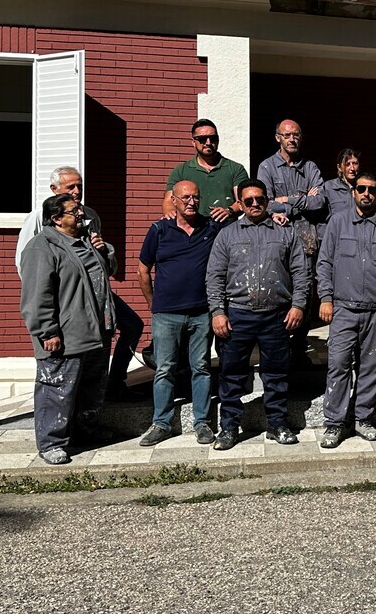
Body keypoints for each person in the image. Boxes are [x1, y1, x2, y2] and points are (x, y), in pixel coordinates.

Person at [16, 165, 143, 402]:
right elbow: (27, 265)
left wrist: (104, 252)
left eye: (79, 186)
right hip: (69, 297)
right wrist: (51, 307)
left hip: (99, 293)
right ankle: (71, 407)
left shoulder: (90, 215)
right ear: (54, 189)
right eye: (70, 187)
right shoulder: (37, 218)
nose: (76, 191)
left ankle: (114, 383)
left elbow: (105, 264)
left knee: (131, 325)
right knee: (69, 355)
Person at [205, 179, 309, 450]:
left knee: (276, 374)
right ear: (239, 203)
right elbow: (214, 276)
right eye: (248, 200)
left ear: (267, 200)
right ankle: (228, 427)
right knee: (231, 374)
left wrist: (298, 305)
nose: (254, 204)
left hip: (276, 316)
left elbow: (300, 271)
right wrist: (217, 312)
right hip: (237, 315)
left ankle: (277, 424)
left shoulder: (285, 232)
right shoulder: (227, 235)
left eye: (259, 200)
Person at [20, 194, 116, 465]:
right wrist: (47, 331)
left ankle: (84, 431)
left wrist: (103, 250)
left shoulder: (86, 240)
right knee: (56, 389)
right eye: (74, 212)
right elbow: (37, 296)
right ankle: (51, 443)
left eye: (80, 210)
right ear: (56, 218)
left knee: (90, 388)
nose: (81, 215)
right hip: (65, 334)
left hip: (96, 330)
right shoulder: (42, 248)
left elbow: (108, 272)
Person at [316, 172, 376, 449]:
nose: (366, 193)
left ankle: (363, 418)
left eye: (372, 189)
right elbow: (324, 263)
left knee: (372, 367)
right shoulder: (338, 222)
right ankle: (334, 424)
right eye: (361, 188)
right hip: (343, 308)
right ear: (353, 192)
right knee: (338, 366)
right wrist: (326, 298)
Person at [136, 181, 223, 447]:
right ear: (173, 200)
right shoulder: (159, 230)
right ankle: (161, 423)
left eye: (195, 197)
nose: (191, 202)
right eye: (185, 198)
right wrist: (154, 303)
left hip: (201, 313)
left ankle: (202, 423)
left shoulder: (211, 228)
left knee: (201, 367)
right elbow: (143, 270)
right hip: (166, 314)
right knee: (164, 369)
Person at [256, 118, 326, 366]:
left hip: (306, 240)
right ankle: (278, 346)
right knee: (279, 292)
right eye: (287, 135)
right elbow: (265, 203)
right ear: (278, 138)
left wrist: (287, 200)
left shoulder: (310, 168)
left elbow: (320, 202)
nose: (292, 139)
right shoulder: (267, 167)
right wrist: (302, 197)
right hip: (278, 240)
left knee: (303, 294)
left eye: (296, 135)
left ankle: (297, 347)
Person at [163, 119, 248, 222]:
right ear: (193, 142)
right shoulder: (181, 171)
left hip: (225, 229)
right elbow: (168, 201)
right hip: (194, 231)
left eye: (213, 138)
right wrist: (171, 214)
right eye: (202, 139)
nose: (208, 142)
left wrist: (229, 211)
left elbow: (244, 200)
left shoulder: (235, 169)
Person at [324, 148, 360, 219]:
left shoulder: (365, 187)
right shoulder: (329, 187)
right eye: (348, 164)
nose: (352, 168)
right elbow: (321, 220)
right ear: (339, 167)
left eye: (355, 163)